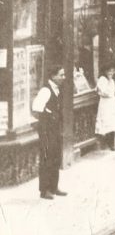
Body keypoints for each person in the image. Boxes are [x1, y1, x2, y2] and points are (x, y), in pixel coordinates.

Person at [31, 68, 67, 199]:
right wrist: (46, 117)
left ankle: (53, 186)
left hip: (55, 128)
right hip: (47, 130)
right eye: (61, 75)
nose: (64, 77)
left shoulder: (58, 89)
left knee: (56, 156)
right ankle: (44, 190)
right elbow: (36, 108)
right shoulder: (46, 90)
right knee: (47, 157)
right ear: (53, 75)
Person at [96, 62, 115, 151]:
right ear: (105, 71)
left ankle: (112, 142)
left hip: (112, 102)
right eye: (109, 71)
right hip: (105, 103)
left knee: (113, 121)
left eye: (113, 71)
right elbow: (104, 92)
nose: (111, 73)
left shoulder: (111, 80)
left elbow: (114, 91)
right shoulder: (102, 79)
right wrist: (111, 91)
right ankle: (107, 142)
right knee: (106, 120)